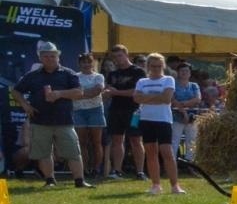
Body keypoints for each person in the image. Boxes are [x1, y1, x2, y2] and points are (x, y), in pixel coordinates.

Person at [9, 42, 92, 188]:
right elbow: (16, 91)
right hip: (40, 120)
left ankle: (80, 181)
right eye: (46, 56)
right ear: (40, 58)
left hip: (64, 120)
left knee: (73, 151)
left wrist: (59, 94)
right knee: (44, 153)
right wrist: (25, 104)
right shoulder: (32, 76)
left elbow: (79, 93)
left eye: (52, 56)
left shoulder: (68, 73)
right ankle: (50, 180)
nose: (49, 59)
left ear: (58, 57)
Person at [133, 52, 182, 194]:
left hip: (163, 120)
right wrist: (156, 97)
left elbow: (167, 98)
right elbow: (136, 98)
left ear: (163, 66)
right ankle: (156, 184)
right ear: (148, 66)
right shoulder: (142, 82)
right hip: (146, 120)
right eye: (153, 66)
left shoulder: (168, 80)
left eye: (159, 66)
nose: (156, 68)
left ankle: (175, 185)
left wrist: (146, 97)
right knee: (151, 152)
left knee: (167, 152)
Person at [102, 44, 146, 179]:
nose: (117, 59)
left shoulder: (138, 72)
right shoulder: (113, 74)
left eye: (120, 55)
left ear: (127, 55)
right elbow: (109, 90)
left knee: (136, 140)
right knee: (116, 140)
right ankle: (116, 170)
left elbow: (137, 92)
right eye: (114, 57)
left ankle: (140, 172)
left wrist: (116, 92)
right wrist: (106, 93)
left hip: (134, 110)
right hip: (115, 110)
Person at [72, 52, 106, 179]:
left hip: (95, 110)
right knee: (82, 142)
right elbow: (74, 93)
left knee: (96, 142)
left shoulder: (99, 76)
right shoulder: (74, 77)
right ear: (79, 64)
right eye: (83, 62)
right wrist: (85, 93)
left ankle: (96, 169)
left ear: (93, 63)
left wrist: (80, 94)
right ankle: (84, 168)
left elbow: (97, 91)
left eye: (89, 61)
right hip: (78, 111)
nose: (86, 64)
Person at [171, 61, 203, 158]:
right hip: (176, 117)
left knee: (192, 141)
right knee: (174, 141)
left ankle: (190, 163)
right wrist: (183, 111)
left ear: (190, 73)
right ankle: (172, 163)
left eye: (186, 71)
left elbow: (198, 99)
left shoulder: (194, 85)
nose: (184, 72)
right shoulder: (173, 84)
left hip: (192, 117)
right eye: (182, 71)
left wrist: (183, 104)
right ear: (178, 72)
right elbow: (172, 99)